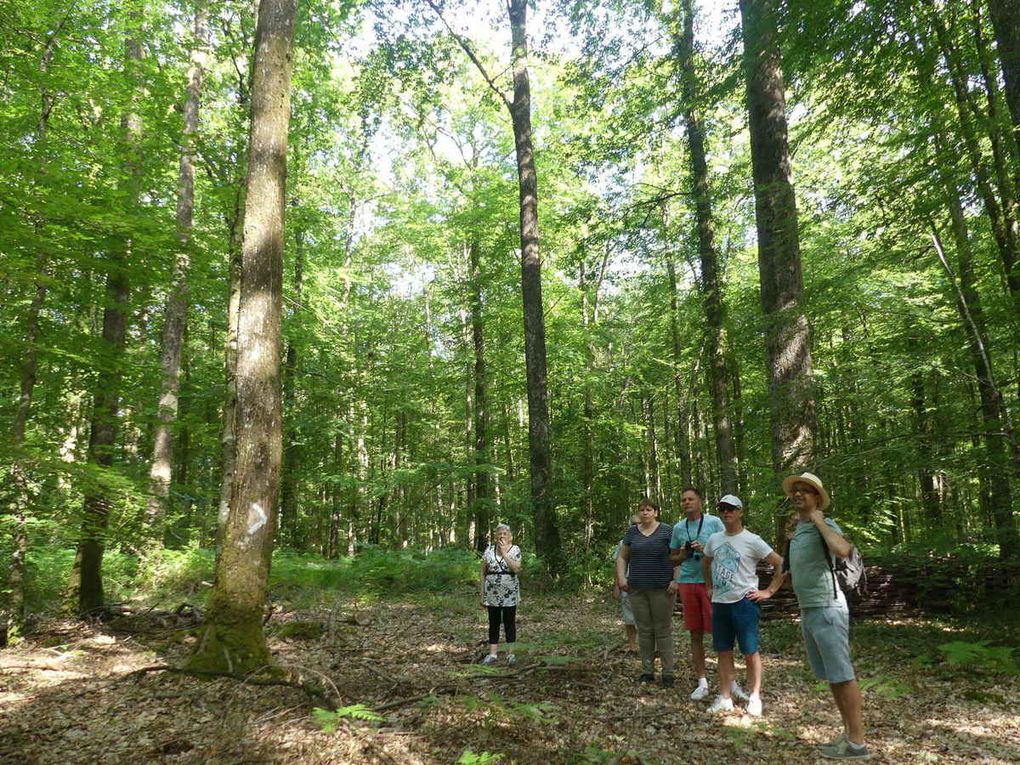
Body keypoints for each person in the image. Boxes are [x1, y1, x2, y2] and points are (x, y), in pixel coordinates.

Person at [783, 472, 869, 760]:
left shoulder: (824, 523)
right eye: (795, 490)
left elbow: (843, 550)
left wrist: (820, 520)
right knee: (832, 676)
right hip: (808, 609)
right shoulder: (798, 529)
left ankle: (857, 743)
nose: (798, 495)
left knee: (843, 674)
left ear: (817, 497)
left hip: (828, 607)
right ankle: (847, 737)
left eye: (805, 491)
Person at [702, 494, 784, 716]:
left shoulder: (752, 540)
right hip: (720, 603)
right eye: (722, 509)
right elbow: (706, 560)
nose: (726, 513)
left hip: (744, 603)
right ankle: (725, 696)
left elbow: (779, 563)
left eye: (731, 509)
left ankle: (755, 696)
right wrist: (709, 586)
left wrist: (769, 591)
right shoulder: (714, 539)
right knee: (723, 651)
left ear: (740, 511)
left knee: (750, 651)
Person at [669, 486, 725, 701]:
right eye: (683, 500)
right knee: (695, 633)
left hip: (712, 583)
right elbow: (672, 557)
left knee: (719, 632)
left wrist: (706, 549)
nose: (686, 503)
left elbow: (727, 548)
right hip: (687, 582)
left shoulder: (714, 523)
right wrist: (683, 554)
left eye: (690, 499)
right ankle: (701, 681)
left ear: (700, 501)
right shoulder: (678, 528)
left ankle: (727, 681)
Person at [615, 498, 675, 687]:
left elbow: (677, 557)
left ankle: (668, 673)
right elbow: (622, 557)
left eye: (649, 509)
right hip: (637, 589)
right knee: (644, 630)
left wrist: (676, 579)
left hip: (662, 589)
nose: (645, 513)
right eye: (642, 510)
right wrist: (621, 578)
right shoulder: (632, 532)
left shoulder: (667, 531)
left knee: (662, 630)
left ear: (656, 512)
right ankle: (647, 671)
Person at [479, 524, 522, 665]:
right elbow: (483, 572)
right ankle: (493, 654)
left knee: (510, 623)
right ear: (495, 536)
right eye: (499, 533)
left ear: (510, 537)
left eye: (505, 533)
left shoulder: (515, 549)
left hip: (510, 594)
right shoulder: (489, 550)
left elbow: (516, 568)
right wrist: (482, 593)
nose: (502, 536)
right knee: (494, 623)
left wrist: (504, 553)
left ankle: (511, 654)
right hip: (492, 594)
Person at [613, 513, 641, 652]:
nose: (635, 527)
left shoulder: (653, 539)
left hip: (647, 583)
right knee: (629, 617)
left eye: (638, 524)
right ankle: (632, 646)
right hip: (628, 583)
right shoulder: (623, 542)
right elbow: (618, 563)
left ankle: (650, 646)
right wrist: (617, 585)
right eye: (633, 524)